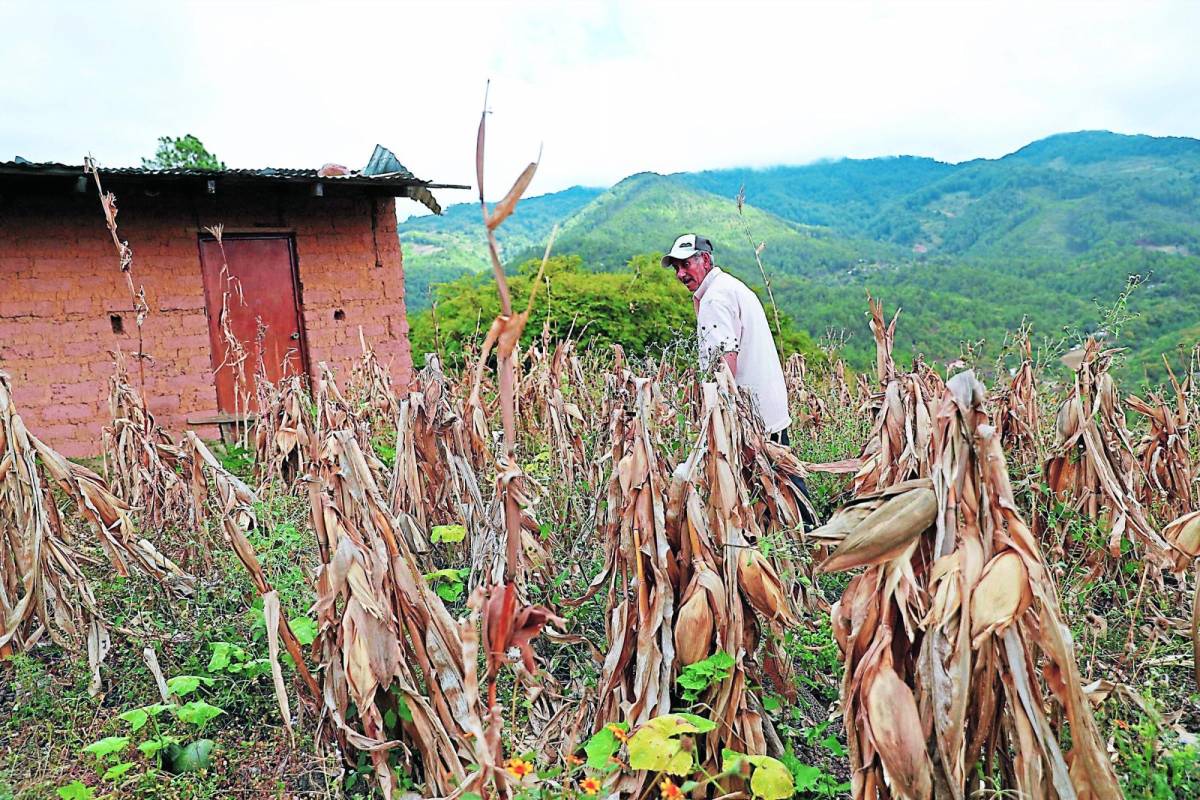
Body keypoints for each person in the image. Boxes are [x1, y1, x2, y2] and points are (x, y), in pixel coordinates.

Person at [662, 233, 816, 527]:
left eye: (686, 265)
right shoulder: (732, 287)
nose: (681, 274)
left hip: (750, 415)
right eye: (676, 268)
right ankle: (811, 546)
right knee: (786, 487)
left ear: (704, 260)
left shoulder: (715, 299)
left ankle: (801, 551)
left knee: (765, 492)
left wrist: (717, 416)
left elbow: (724, 363)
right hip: (768, 407)